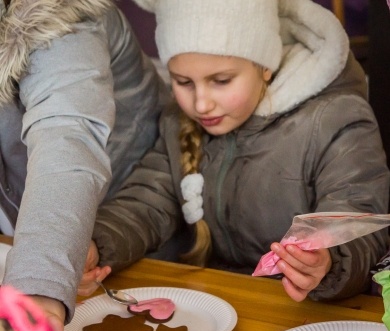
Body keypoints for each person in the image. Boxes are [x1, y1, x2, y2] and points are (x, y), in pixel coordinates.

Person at [80, 0, 390, 304]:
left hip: (306, 311)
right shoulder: (179, 123)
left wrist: (328, 263)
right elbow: (145, 204)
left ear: (265, 67)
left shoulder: (334, 120)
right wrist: (98, 243)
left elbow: (359, 222)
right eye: (183, 81)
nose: (201, 103)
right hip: (226, 302)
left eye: (221, 81)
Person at [0, 0, 170, 331]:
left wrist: (37, 289)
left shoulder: (59, 11)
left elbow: (67, 136)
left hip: (132, 241)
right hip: (47, 249)